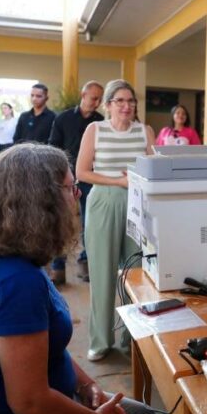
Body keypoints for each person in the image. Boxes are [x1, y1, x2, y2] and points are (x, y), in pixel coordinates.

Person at [0, 143, 157, 414]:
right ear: (42, 202)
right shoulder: (16, 281)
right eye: (70, 188)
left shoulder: (19, 261)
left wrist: (86, 385)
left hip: (36, 409)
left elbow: (46, 348)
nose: (77, 195)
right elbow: (29, 402)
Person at [76, 79, 154, 362]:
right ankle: (100, 341)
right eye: (120, 100)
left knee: (135, 272)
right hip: (103, 202)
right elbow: (82, 172)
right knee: (102, 273)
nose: (126, 106)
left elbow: (154, 169)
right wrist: (118, 181)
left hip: (137, 204)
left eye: (131, 101)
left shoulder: (145, 131)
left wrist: (136, 178)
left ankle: (130, 338)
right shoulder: (95, 130)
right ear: (108, 105)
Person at [49, 80, 105, 284]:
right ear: (83, 95)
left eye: (100, 99)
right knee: (61, 221)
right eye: (94, 98)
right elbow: (53, 147)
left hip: (90, 178)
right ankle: (58, 268)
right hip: (65, 178)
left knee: (90, 222)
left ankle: (86, 261)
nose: (97, 103)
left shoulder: (101, 122)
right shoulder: (63, 118)